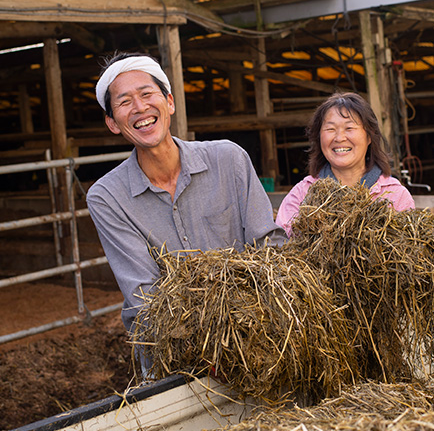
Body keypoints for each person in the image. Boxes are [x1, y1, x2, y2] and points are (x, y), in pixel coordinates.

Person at [87, 51, 286, 357]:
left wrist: (251, 325)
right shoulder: (107, 197)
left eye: (146, 94)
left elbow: (270, 247)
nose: (139, 107)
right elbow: (146, 296)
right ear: (113, 123)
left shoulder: (228, 159)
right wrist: (213, 335)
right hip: (173, 352)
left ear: (169, 102)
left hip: (256, 338)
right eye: (124, 102)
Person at [276, 92, 415, 235]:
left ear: (369, 136)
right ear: (319, 137)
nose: (339, 138)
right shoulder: (302, 195)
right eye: (330, 129)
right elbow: (281, 247)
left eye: (349, 128)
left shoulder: (394, 195)